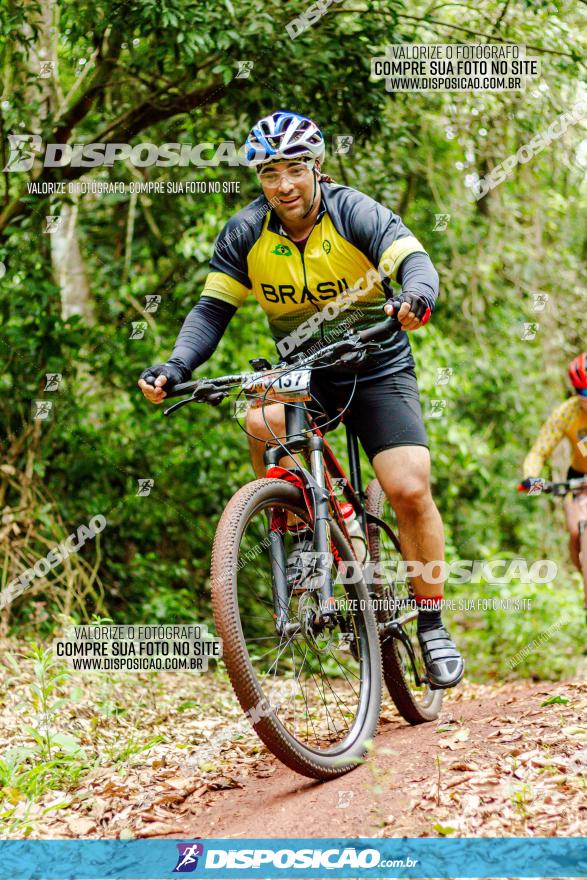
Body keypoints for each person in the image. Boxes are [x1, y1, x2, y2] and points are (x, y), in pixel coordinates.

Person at [138, 110, 464, 690]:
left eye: (294, 168)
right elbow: (212, 310)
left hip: (375, 361)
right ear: (258, 178)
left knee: (410, 487)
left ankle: (432, 623)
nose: (284, 183)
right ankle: (323, 521)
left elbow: (413, 260)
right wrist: (176, 365)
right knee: (260, 416)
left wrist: (416, 293)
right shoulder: (246, 233)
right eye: (269, 172)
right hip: (305, 369)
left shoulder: (354, 212)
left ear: (317, 166)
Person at [523, 353, 587, 608]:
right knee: (575, 532)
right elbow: (539, 450)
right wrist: (531, 477)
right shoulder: (568, 412)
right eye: (583, 393)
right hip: (579, 479)